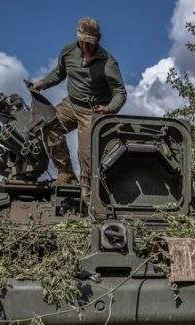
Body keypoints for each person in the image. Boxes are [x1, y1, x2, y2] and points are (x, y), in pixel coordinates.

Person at [29, 17, 127, 203]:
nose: (87, 47)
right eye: (84, 43)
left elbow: (120, 92)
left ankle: (89, 198)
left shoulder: (108, 63)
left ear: (98, 39)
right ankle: (65, 173)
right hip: (71, 104)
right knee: (48, 125)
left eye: (91, 43)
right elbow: (59, 73)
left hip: (94, 111)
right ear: (78, 38)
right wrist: (42, 83)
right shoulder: (68, 52)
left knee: (86, 155)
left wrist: (109, 109)